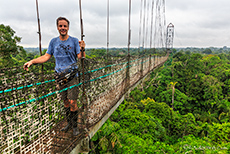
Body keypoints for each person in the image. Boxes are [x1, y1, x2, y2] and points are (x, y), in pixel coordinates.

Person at [24, 17, 85, 136]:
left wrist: (83, 48)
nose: (63, 28)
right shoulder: (53, 42)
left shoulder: (74, 41)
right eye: (60, 26)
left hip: (72, 75)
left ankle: (75, 126)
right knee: (66, 102)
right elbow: (46, 56)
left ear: (68, 27)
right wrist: (32, 61)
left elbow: (80, 57)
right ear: (57, 27)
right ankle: (69, 123)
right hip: (59, 76)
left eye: (65, 26)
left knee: (73, 102)